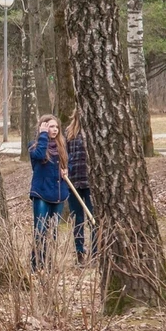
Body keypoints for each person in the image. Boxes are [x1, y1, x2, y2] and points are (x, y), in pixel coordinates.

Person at [29, 114, 69, 271]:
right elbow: (38, 155)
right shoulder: (34, 146)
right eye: (50, 127)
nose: (55, 130)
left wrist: (66, 170)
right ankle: (36, 263)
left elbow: (68, 164)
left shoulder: (61, 147)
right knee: (40, 229)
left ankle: (48, 262)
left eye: (56, 127)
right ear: (43, 128)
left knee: (53, 231)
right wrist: (43, 135)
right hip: (41, 194)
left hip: (59, 194)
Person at [65, 112, 94, 265]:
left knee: (93, 219)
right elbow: (64, 155)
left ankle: (96, 253)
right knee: (78, 219)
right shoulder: (69, 133)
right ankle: (79, 252)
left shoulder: (94, 130)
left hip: (91, 183)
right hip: (73, 183)